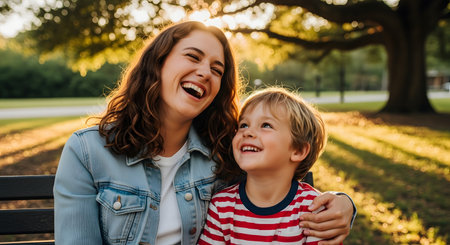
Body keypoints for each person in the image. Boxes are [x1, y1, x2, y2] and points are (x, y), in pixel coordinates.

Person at [54, 21, 354, 245]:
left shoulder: (225, 151)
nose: (205, 73)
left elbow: (277, 184)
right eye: (193, 57)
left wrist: (344, 204)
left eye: (217, 69)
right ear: (159, 63)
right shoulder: (88, 152)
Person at [198, 87, 333, 245]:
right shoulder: (222, 207)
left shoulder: (313, 209)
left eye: (266, 125)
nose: (248, 132)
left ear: (298, 150)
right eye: (243, 125)